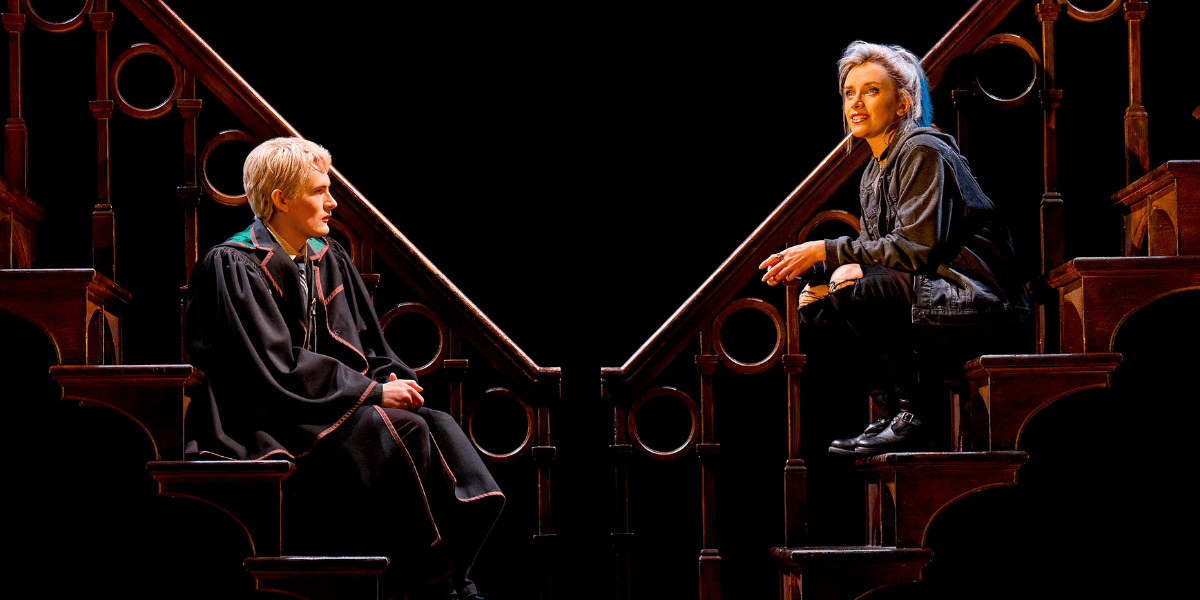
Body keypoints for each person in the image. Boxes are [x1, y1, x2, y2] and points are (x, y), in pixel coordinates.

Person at [183, 137, 502, 599]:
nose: (332, 202)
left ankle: (456, 575)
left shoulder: (327, 257)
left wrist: (386, 377)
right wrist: (371, 394)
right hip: (267, 416)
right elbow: (270, 367)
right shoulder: (233, 263)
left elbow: (368, 344)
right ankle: (427, 582)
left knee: (436, 423)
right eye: (319, 191)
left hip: (327, 402)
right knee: (401, 429)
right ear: (281, 199)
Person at [758, 42, 1029, 456]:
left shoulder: (922, 150)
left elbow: (915, 249)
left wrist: (825, 252)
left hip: (981, 302)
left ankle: (914, 414)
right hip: (932, 292)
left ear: (902, 104)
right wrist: (814, 268)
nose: (856, 103)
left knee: (850, 283)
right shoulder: (874, 170)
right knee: (815, 301)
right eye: (849, 92)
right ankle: (891, 412)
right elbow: (877, 253)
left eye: (871, 90)